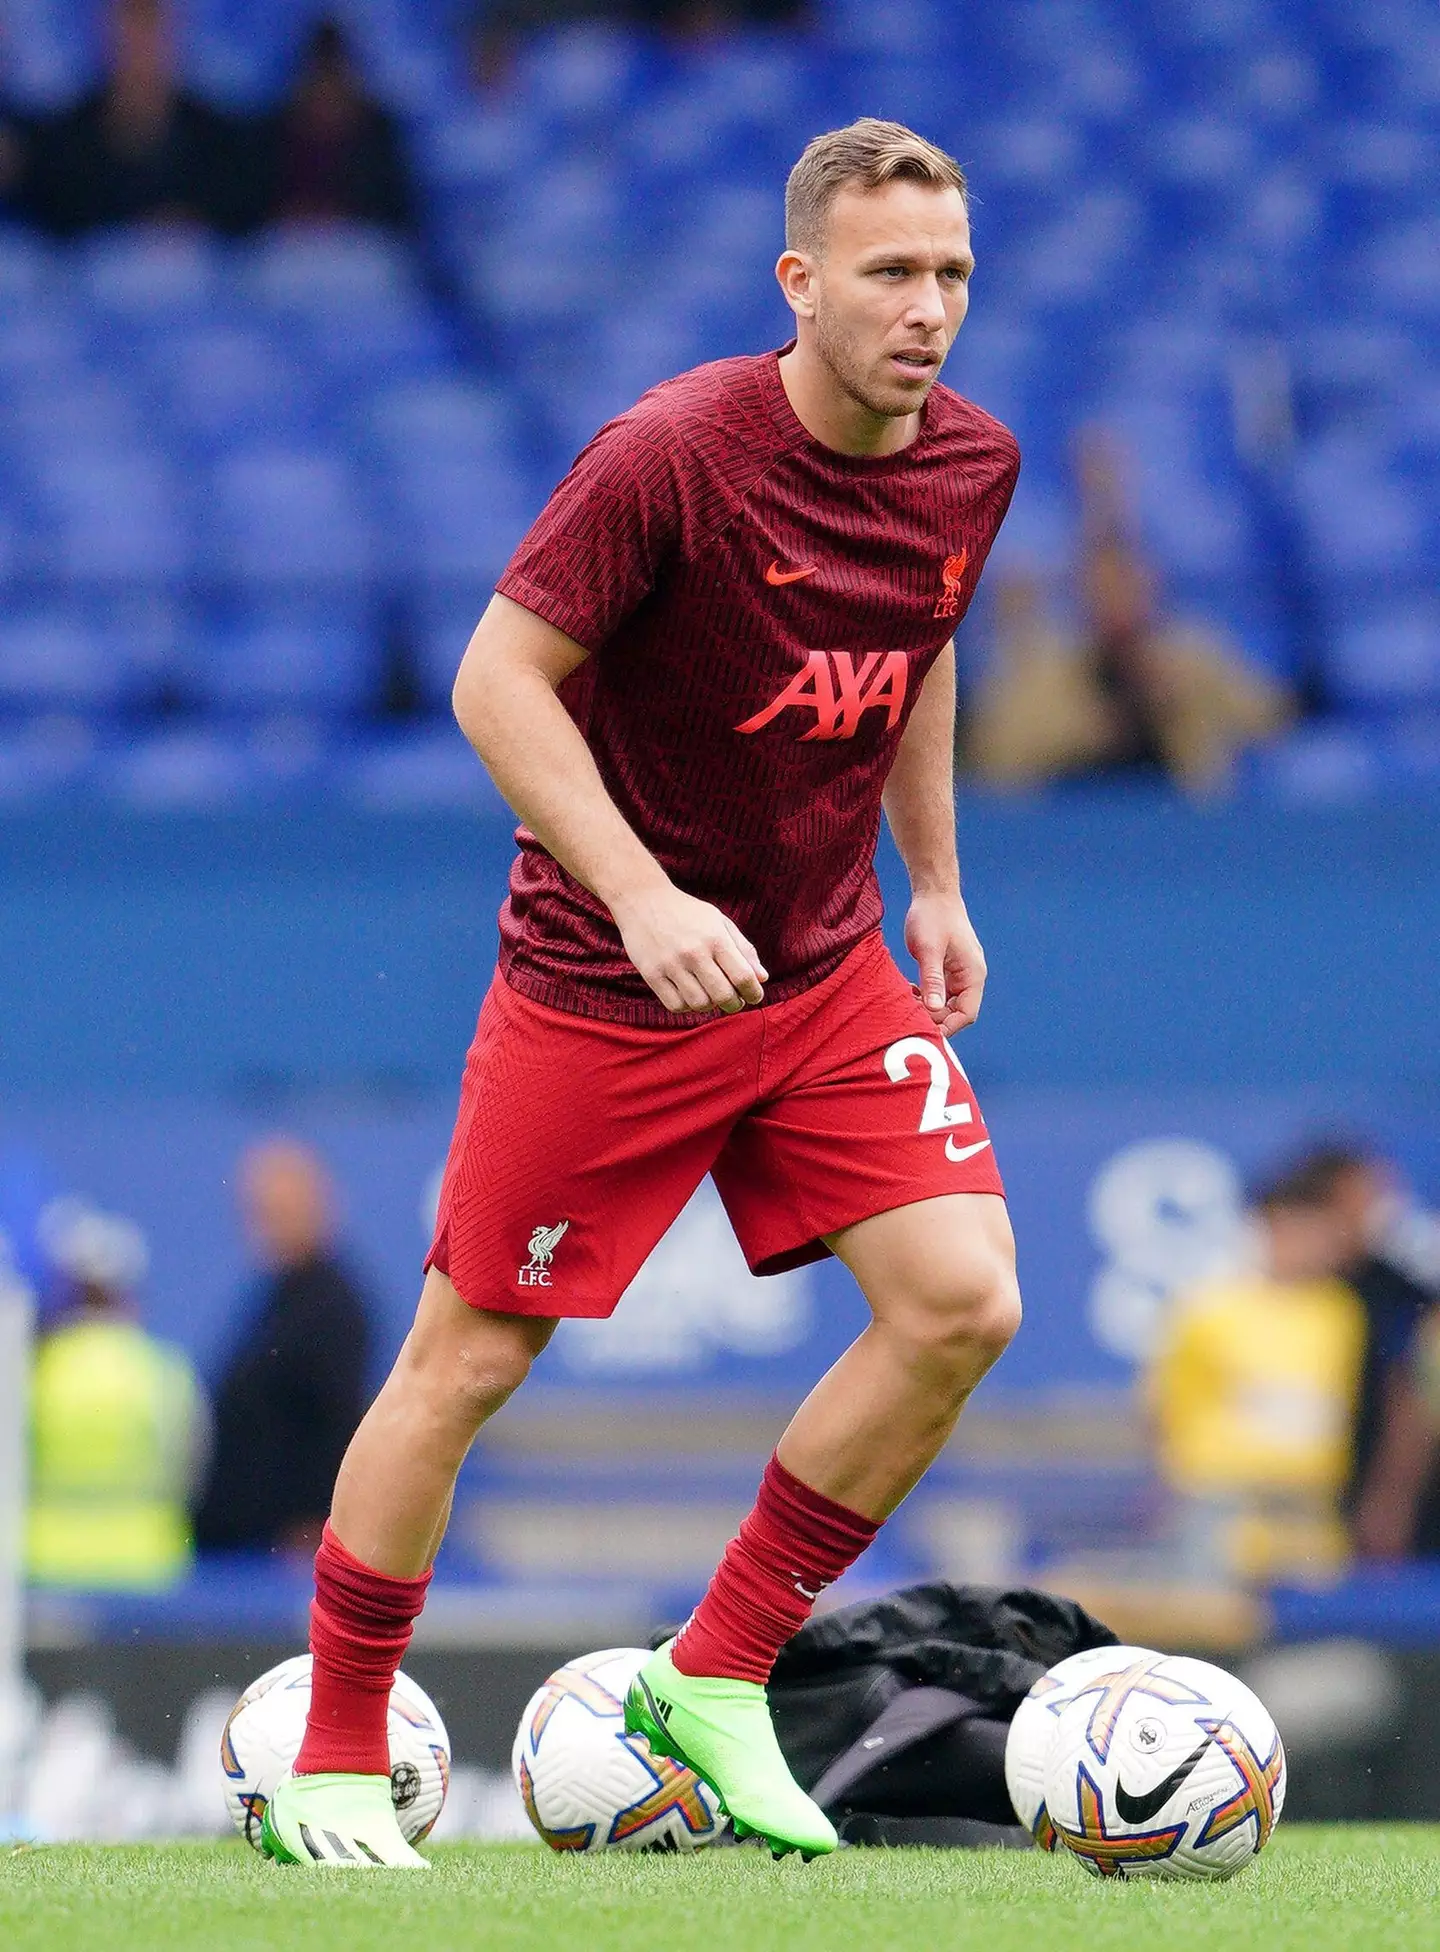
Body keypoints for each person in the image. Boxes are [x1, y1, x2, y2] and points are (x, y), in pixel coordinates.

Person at [262, 117, 1022, 1871]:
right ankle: (335, 1748)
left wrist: (938, 881)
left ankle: (718, 1670)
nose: (929, 310)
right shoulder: (674, 453)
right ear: (803, 281)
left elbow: (915, 645)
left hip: (822, 967)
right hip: (610, 983)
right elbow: (496, 679)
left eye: (955, 275)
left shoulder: (970, 462)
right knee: (467, 1362)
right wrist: (641, 888)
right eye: (894, 273)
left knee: (962, 1300)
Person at [1147, 1165, 1366, 1584]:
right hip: (1222, 1508)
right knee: (1212, 1633)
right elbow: (1161, 1406)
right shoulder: (1207, 1308)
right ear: (1270, 1225)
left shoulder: (1341, 1313)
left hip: (1309, 1514)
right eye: (1300, 1228)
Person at [193, 1141, 372, 1559]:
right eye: (258, 1210)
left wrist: (322, 1523)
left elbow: (340, 1418)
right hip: (238, 1546)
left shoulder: (333, 1306)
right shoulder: (278, 1297)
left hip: (279, 1552)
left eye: (280, 1208)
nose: (266, 1223)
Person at [27, 1197, 205, 1591]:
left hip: (48, 1568)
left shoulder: (36, 1373)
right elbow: (189, 1469)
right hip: (148, 1566)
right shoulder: (164, 1373)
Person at [22, 0, 257, 237]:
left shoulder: (217, 139)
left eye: (150, 30)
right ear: (103, 37)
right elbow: (55, 215)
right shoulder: (67, 139)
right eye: (127, 32)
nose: (139, 47)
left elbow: (237, 214)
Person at [258, 18, 416, 233]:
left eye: (333, 78)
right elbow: (256, 202)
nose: (326, 91)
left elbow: (393, 204)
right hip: (289, 239)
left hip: (361, 238)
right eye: (320, 79)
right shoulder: (277, 128)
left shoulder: (378, 130)